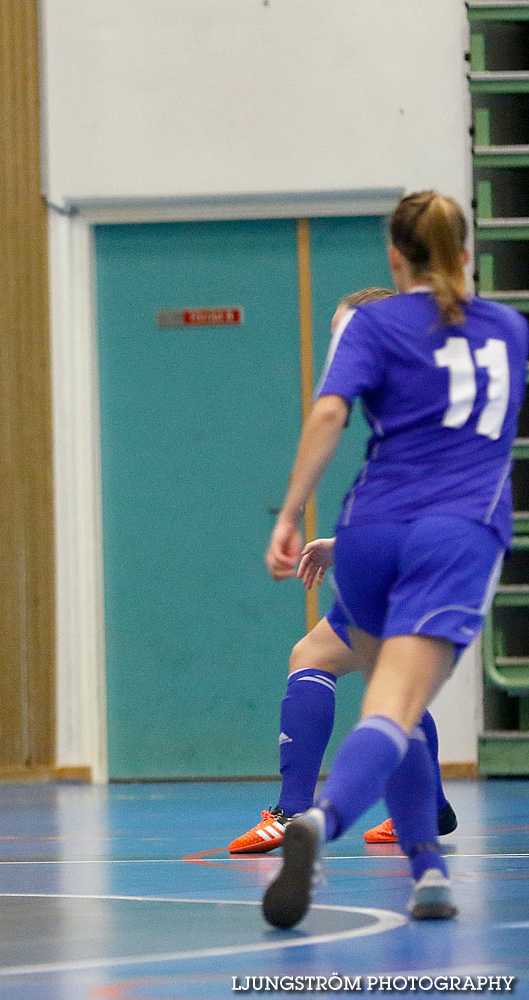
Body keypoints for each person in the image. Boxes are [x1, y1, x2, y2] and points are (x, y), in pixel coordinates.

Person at [261, 190, 527, 928]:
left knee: (390, 700)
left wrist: (288, 514)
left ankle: (429, 872)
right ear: (466, 253)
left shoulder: (373, 323)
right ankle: (322, 819)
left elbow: (328, 413)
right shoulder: (508, 329)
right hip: (456, 533)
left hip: (369, 533)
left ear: (394, 256)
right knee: (396, 707)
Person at [229, 289, 457, 854]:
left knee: (331, 663)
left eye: (346, 331)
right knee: (372, 672)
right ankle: (430, 809)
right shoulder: (411, 388)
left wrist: (299, 519)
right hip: (424, 555)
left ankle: (294, 814)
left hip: (413, 561)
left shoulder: (402, 395)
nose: (341, 344)